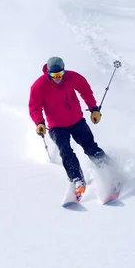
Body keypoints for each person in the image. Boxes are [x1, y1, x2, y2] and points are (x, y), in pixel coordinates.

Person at [28, 56, 108, 200]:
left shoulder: (72, 77)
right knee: (66, 152)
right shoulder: (39, 86)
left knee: (90, 147)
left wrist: (93, 109)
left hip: (77, 121)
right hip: (56, 126)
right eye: (54, 75)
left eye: (60, 74)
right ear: (48, 73)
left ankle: (109, 169)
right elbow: (34, 107)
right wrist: (39, 122)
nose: (58, 78)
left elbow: (85, 90)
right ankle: (77, 179)